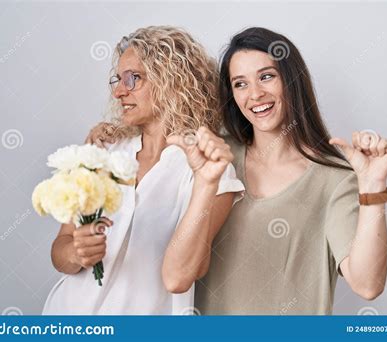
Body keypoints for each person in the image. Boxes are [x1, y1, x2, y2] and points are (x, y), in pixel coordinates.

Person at [87, 27, 387, 315]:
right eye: (240, 83)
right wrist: (113, 135)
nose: (255, 94)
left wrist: (373, 187)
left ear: (292, 81)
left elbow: (367, 284)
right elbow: (157, 139)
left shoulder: (334, 178)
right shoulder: (213, 156)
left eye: (267, 76)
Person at [43, 26, 244, 315]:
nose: (118, 90)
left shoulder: (211, 170)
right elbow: (59, 252)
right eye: (118, 79)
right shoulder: (103, 151)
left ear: (172, 81)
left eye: (132, 79)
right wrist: (76, 251)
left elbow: (184, 274)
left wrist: (206, 180)